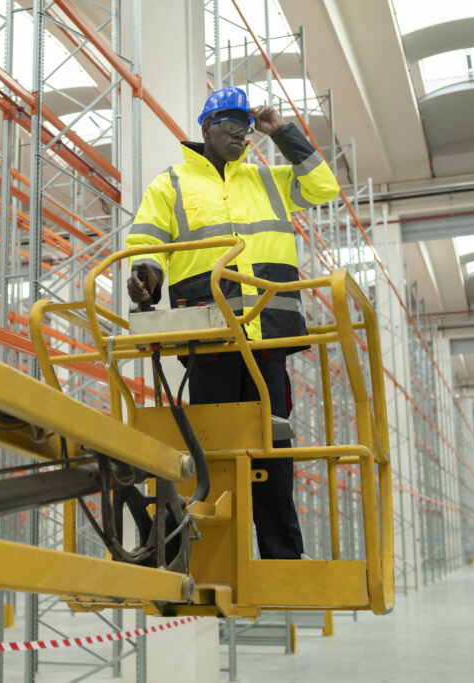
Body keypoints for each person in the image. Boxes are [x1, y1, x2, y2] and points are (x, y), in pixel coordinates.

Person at [125, 86, 340, 559]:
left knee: (272, 445)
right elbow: (146, 243)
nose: (241, 132)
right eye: (230, 123)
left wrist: (281, 131)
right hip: (208, 334)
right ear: (206, 128)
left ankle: (282, 553)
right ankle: (206, 555)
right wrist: (145, 279)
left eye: (246, 124)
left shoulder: (270, 180)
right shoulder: (173, 182)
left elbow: (324, 188)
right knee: (210, 449)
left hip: (268, 333)